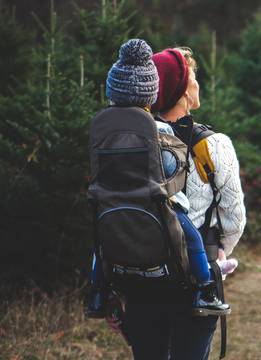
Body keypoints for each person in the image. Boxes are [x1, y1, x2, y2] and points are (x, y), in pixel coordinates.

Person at [84, 40, 232, 319]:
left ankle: (97, 292)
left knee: (100, 243)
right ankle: (205, 289)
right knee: (190, 235)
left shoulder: (103, 126)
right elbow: (169, 166)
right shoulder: (157, 128)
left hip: (109, 198)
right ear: (150, 94)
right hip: (153, 198)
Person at [124, 46, 246, 359]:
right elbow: (234, 216)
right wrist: (217, 256)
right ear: (181, 90)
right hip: (194, 279)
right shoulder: (213, 144)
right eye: (192, 77)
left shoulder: (133, 141)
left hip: (141, 277)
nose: (197, 84)